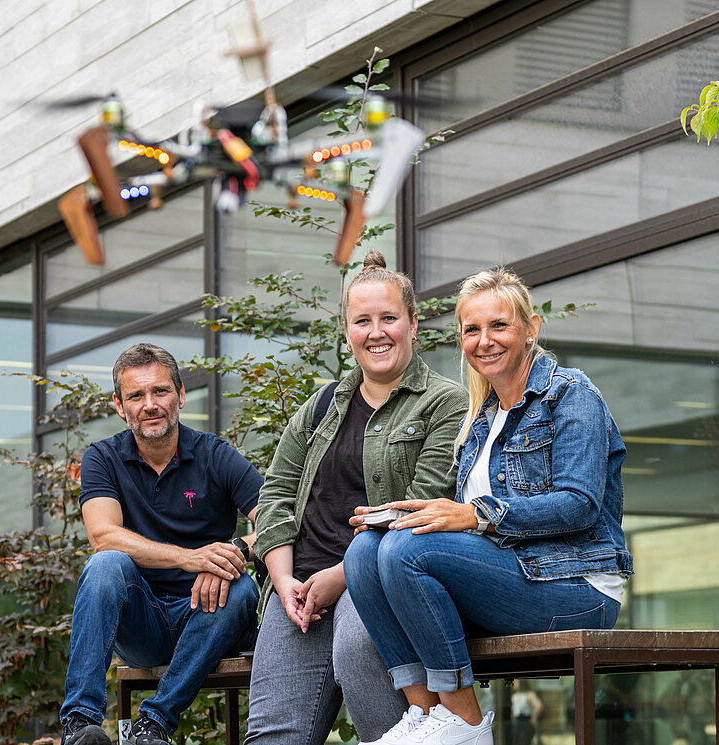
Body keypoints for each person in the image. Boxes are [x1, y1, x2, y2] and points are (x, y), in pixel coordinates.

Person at [344, 266, 633, 745]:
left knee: (404, 552)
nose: (485, 340)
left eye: (499, 325)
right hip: (511, 577)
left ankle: (465, 722)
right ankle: (425, 712)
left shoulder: (571, 395)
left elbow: (579, 505)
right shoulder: (481, 420)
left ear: (531, 328)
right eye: (472, 330)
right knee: (365, 551)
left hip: (576, 589)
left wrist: (476, 513)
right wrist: (414, 514)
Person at [245, 250, 469, 745]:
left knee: (387, 733)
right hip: (299, 590)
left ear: (413, 322)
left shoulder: (445, 403)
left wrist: (338, 577)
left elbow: (419, 509)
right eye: (362, 321)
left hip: (373, 582)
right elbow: (277, 491)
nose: (377, 332)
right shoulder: (322, 405)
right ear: (346, 331)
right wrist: (284, 582)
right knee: (272, 736)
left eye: (389, 318)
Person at [60, 343, 262, 745]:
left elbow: (278, 520)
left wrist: (235, 551)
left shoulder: (215, 455)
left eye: (161, 392)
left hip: (210, 616)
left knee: (241, 586)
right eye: (136, 395)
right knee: (104, 566)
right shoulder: (103, 457)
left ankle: (153, 726)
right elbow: (103, 536)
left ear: (181, 395)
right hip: (144, 625)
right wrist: (191, 558)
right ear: (120, 405)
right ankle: (80, 726)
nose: (150, 404)